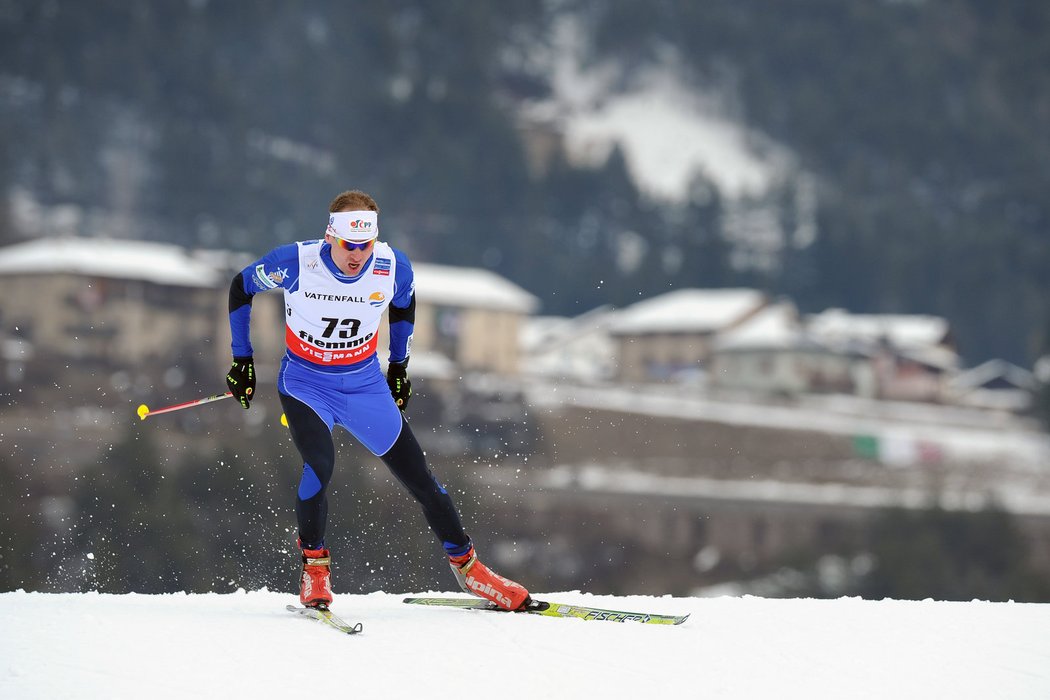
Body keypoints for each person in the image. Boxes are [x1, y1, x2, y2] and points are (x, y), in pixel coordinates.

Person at [225, 189, 530, 611]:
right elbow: (241, 288)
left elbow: (404, 307)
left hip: (363, 386)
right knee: (320, 466)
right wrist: (243, 361)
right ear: (330, 235)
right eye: (349, 246)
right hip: (306, 384)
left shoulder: (391, 266)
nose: (356, 256)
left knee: (421, 479)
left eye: (364, 246)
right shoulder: (295, 262)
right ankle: (315, 569)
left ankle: (472, 571)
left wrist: (400, 366)